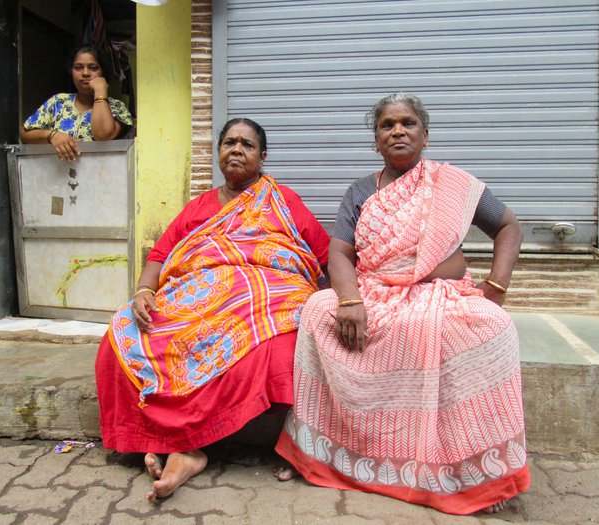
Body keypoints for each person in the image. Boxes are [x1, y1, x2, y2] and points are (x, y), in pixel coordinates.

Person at [275, 93, 530, 515]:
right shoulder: (360, 191)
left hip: (440, 296)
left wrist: (496, 287)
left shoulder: (453, 184)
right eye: (386, 125)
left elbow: (508, 226)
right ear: (376, 141)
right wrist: (350, 299)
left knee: (494, 327)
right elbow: (339, 253)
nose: (397, 130)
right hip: (374, 293)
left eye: (408, 123)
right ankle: (318, 453)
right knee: (318, 310)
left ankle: (480, 474)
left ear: (425, 136)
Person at [96, 117, 330, 502]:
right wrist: (143, 290)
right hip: (197, 299)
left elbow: (323, 253)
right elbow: (159, 255)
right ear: (218, 153)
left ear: (263, 156)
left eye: (247, 145)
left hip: (267, 298)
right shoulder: (199, 207)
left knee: (274, 352)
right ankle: (179, 447)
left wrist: (346, 300)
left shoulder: (284, 201)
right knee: (123, 336)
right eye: (229, 143)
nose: (237, 149)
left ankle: (182, 448)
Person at [20, 44, 133, 162]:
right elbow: (25, 134)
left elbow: (102, 135)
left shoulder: (117, 108)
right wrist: (52, 135)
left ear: (103, 72)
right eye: (78, 67)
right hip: (58, 177)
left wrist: (100, 91)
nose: (85, 73)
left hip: (101, 177)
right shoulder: (59, 102)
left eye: (93, 67)